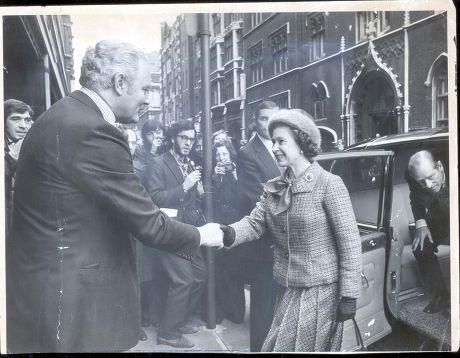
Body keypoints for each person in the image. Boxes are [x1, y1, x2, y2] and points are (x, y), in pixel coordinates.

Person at [6, 40, 223, 354]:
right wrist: (204, 234)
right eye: (145, 89)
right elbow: (148, 224)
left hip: (48, 295)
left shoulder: (63, 116)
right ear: (120, 83)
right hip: (74, 307)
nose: (147, 100)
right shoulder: (93, 130)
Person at [221, 109, 362, 352]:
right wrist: (227, 233)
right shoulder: (275, 187)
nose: (274, 147)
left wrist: (349, 295)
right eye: (273, 141)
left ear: (301, 142)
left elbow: (349, 242)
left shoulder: (329, 185)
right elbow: (255, 223)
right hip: (286, 289)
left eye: (281, 141)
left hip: (320, 293)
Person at [143, 119, 208, 349]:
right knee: (183, 279)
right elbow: (155, 198)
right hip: (168, 232)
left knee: (200, 275)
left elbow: (191, 200)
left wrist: (198, 193)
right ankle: (168, 333)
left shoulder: (189, 163)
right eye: (183, 137)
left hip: (188, 230)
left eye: (191, 139)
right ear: (172, 138)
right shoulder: (157, 164)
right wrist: (185, 186)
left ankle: (177, 321)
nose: (188, 143)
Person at [235, 100, 281, 352]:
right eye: (264, 118)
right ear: (255, 121)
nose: (269, 123)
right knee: (263, 303)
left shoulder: (283, 146)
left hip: (285, 240)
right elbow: (256, 196)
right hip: (265, 243)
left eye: (273, 118)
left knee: (280, 304)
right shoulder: (248, 153)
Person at [131, 119, 166, 336]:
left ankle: (152, 315)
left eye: (160, 134)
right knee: (140, 273)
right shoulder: (137, 159)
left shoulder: (160, 156)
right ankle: (138, 322)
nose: (157, 139)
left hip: (157, 220)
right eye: (153, 134)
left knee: (156, 271)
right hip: (140, 223)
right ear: (145, 136)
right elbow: (140, 185)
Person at [406, 150, 450, 314]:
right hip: (439, 216)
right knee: (421, 246)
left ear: (439, 166)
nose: (429, 185)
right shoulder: (411, 176)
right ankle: (441, 296)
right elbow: (415, 196)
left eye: (431, 177)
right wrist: (421, 223)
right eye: (422, 181)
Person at [211, 140, 246, 324]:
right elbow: (210, 200)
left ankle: (236, 311)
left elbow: (244, 194)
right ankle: (221, 310)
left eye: (224, 154)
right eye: (217, 155)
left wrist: (233, 174)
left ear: (230, 154)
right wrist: (214, 178)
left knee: (235, 269)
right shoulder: (214, 174)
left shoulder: (237, 170)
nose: (221, 158)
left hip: (236, 224)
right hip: (219, 222)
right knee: (220, 269)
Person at [4, 99, 34, 235]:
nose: (23, 126)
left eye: (27, 120)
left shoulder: (33, 143)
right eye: (16, 119)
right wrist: (13, 155)